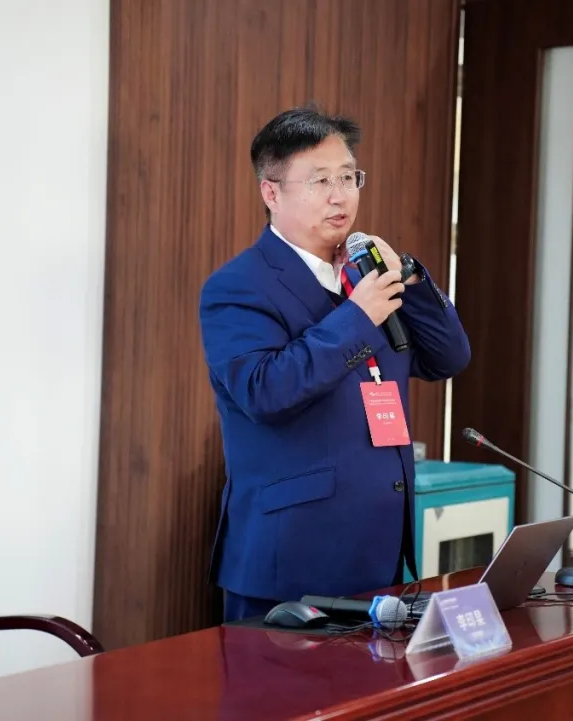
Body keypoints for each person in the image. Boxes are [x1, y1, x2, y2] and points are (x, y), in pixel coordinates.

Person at [199, 106, 471, 622]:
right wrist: (357, 317)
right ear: (271, 192)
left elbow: (448, 357)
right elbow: (264, 391)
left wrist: (407, 277)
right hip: (290, 563)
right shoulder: (237, 286)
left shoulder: (366, 278)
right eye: (320, 180)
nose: (340, 195)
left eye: (348, 177)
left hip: (379, 557)